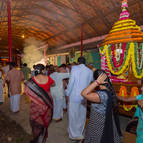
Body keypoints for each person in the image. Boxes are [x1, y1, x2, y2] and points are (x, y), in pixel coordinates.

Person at [81, 69, 122, 143]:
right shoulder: (109, 90)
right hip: (103, 120)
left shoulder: (101, 95)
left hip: (99, 124)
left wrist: (96, 83)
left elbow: (84, 93)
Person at [24, 64, 55, 143]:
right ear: (44, 70)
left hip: (35, 103)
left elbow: (27, 91)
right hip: (47, 102)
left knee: (36, 120)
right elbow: (53, 84)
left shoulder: (32, 80)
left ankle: (37, 138)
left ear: (35, 70)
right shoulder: (48, 78)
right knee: (45, 119)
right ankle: (43, 138)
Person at [65, 57, 93, 141]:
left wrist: (67, 93)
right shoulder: (89, 71)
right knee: (82, 115)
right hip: (84, 96)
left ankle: (73, 134)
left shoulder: (74, 69)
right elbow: (90, 82)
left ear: (78, 62)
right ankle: (79, 132)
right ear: (85, 62)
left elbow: (71, 83)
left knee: (73, 115)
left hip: (74, 95)